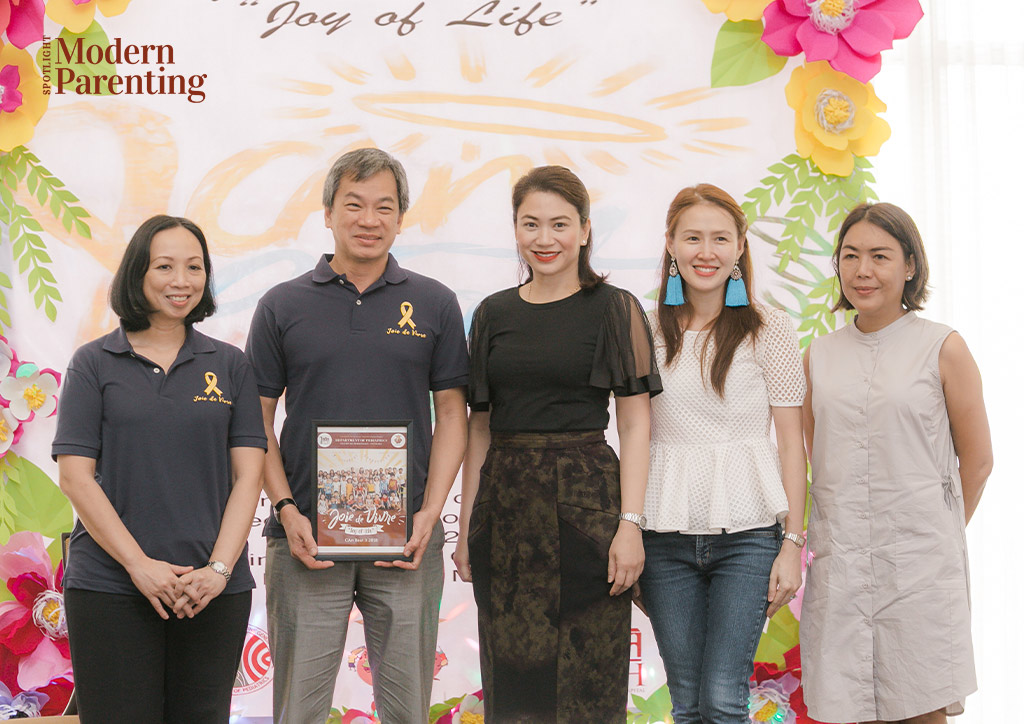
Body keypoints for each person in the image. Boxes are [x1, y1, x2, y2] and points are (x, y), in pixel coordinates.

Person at [245, 148, 469, 724]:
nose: (369, 220)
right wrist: (287, 510)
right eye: (354, 205)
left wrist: (430, 511)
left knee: (408, 710)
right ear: (327, 213)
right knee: (298, 710)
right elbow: (256, 420)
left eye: (384, 207)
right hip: (306, 540)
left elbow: (453, 414)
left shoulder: (436, 303)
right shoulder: (282, 305)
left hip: (406, 540)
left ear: (401, 218)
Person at [452, 165, 661, 722]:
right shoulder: (492, 313)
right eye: (531, 224)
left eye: (560, 224)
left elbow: (636, 425)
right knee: (512, 687)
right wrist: (469, 526)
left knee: (589, 684)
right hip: (505, 514)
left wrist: (631, 525)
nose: (545, 239)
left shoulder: (615, 308)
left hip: (588, 511)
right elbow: (479, 426)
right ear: (516, 229)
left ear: (585, 230)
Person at [53, 215, 267, 723]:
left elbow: (249, 476)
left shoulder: (230, 365)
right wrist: (138, 565)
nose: (182, 281)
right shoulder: (93, 363)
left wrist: (218, 570)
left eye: (194, 267)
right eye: (165, 266)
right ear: (137, 273)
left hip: (210, 591)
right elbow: (75, 477)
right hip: (110, 587)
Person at [801, 202, 993, 724]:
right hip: (841, 564)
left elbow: (977, 462)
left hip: (920, 569)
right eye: (850, 256)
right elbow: (818, 457)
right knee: (848, 706)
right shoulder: (819, 355)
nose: (863, 270)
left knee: (920, 705)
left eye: (880, 256)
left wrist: (936, 534)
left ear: (909, 265)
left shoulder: (943, 347)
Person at [637, 184, 807, 723]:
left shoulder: (770, 328)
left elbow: (791, 442)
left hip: (750, 537)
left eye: (719, 238)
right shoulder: (643, 329)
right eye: (692, 238)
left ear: (740, 246)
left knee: (723, 697)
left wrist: (792, 543)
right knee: (687, 702)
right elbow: (633, 434)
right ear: (670, 244)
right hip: (663, 536)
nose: (705, 252)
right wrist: (629, 531)